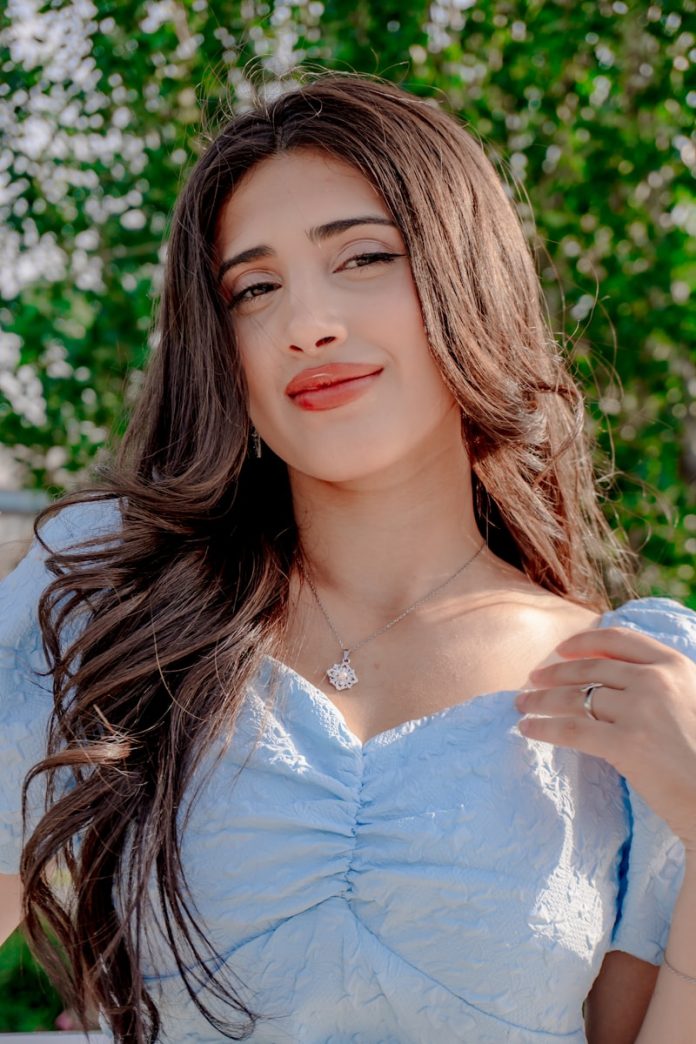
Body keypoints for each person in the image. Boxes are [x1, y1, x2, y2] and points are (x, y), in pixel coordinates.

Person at [0, 72, 695, 1044]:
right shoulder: (111, 592)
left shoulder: (628, 679)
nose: (306, 324)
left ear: (466, 276)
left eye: (363, 257)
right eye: (254, 288)